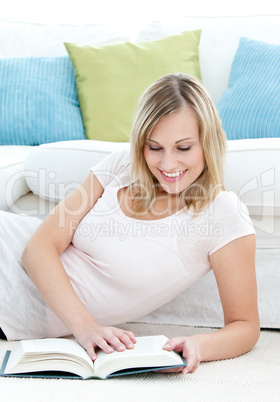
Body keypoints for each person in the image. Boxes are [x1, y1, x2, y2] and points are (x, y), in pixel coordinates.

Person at [0, 73, 259, 374]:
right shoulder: (120, 165)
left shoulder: (222, 214)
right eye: (154, 147)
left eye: (184, 148)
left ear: (208, 142)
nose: (168, 164)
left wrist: (198, 345)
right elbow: (39, 248)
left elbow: (245, 325)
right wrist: (85, 327)